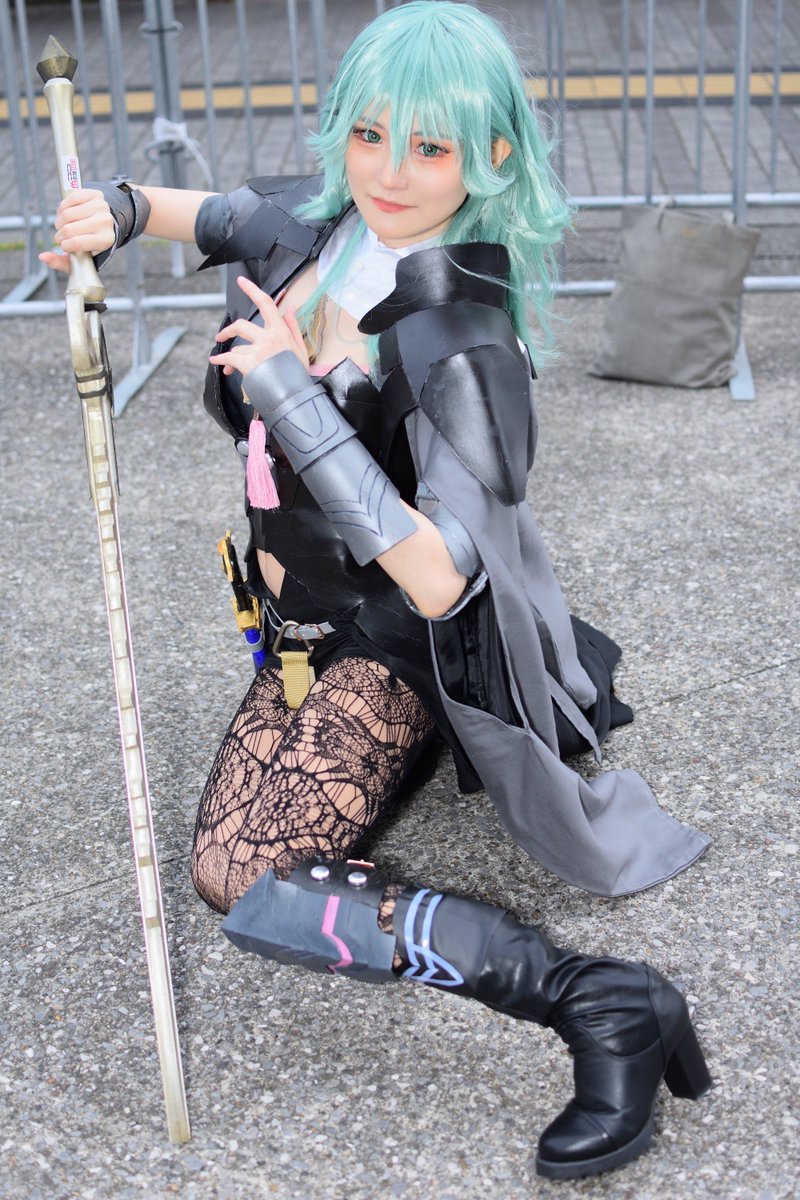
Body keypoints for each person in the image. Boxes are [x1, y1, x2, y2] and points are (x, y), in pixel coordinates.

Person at [42, 1, 712, 1179]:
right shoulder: (316, 232)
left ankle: (597, 1000)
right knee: (219, 874)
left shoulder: (465, 339)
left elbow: (442, 575)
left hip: (400, 636)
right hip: (300, 623)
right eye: (367, 136)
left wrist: (295, 395)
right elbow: (210, 212)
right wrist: (118, 211)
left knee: (256, 876)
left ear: (490, 155)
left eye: (429, 148)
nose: (389, 174)